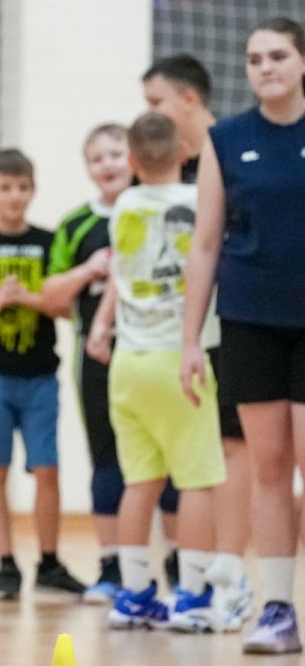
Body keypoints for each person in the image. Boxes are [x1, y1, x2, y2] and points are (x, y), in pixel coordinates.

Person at [181, 17, 305, 655]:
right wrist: (189, 341)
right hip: (250, 321)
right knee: (268, 468)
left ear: (302, 61)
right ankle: (277, 608)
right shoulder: (226, 140)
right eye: (255, 59)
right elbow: (205, 244)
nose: (266, 67)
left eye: (278, 55)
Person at [85, 113, 226, 633]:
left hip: (129, 363)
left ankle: (134, 594)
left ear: (132, 160)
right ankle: (193, 595)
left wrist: (100, 326)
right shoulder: (198, 201)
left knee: (139, 482)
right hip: (179, 358)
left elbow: (119, 274)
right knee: (198, 481)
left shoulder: (124, 205)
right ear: (185, 152)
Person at [0, 149, 86, 601]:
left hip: (40, 376)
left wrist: (30, 298)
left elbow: (67, 308)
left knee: (47, 469)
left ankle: (49, 561)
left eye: (22, 187)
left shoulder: (50, 241)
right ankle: (6, 564)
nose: (14, 196)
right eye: (6, 187)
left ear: (33, 190)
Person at [143, 54, 254, 621]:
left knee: (233, 449)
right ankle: (201, 578)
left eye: (156, 101)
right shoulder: (170, 172)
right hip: (181, 337)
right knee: (197, 459)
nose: (149, 113)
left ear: (189, 99)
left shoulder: (233, 151)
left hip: (236, 323)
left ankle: (232, 575)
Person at [42, 124, 132, 604]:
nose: (108, 164)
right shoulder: (77, 224)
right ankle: (112, 567)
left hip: (151, 351)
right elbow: (50, 296)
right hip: (96, 357)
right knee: (106, 455)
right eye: (98, 158)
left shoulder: (151, 208)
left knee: (164, 461)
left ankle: (175, 565)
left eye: (116, 153)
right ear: (88, 169)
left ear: (133, 156)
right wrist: (88, 270)